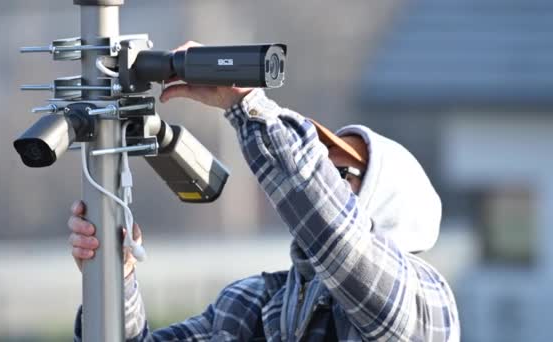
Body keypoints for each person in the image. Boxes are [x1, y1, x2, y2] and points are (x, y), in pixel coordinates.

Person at [69, 41, 460, 341]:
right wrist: (114, 282)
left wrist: (246, 103)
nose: (323, 175)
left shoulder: (425, 303)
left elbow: (338, 236)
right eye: (320, 166)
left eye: (338, 173)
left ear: (387, 202)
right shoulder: (256, 303)